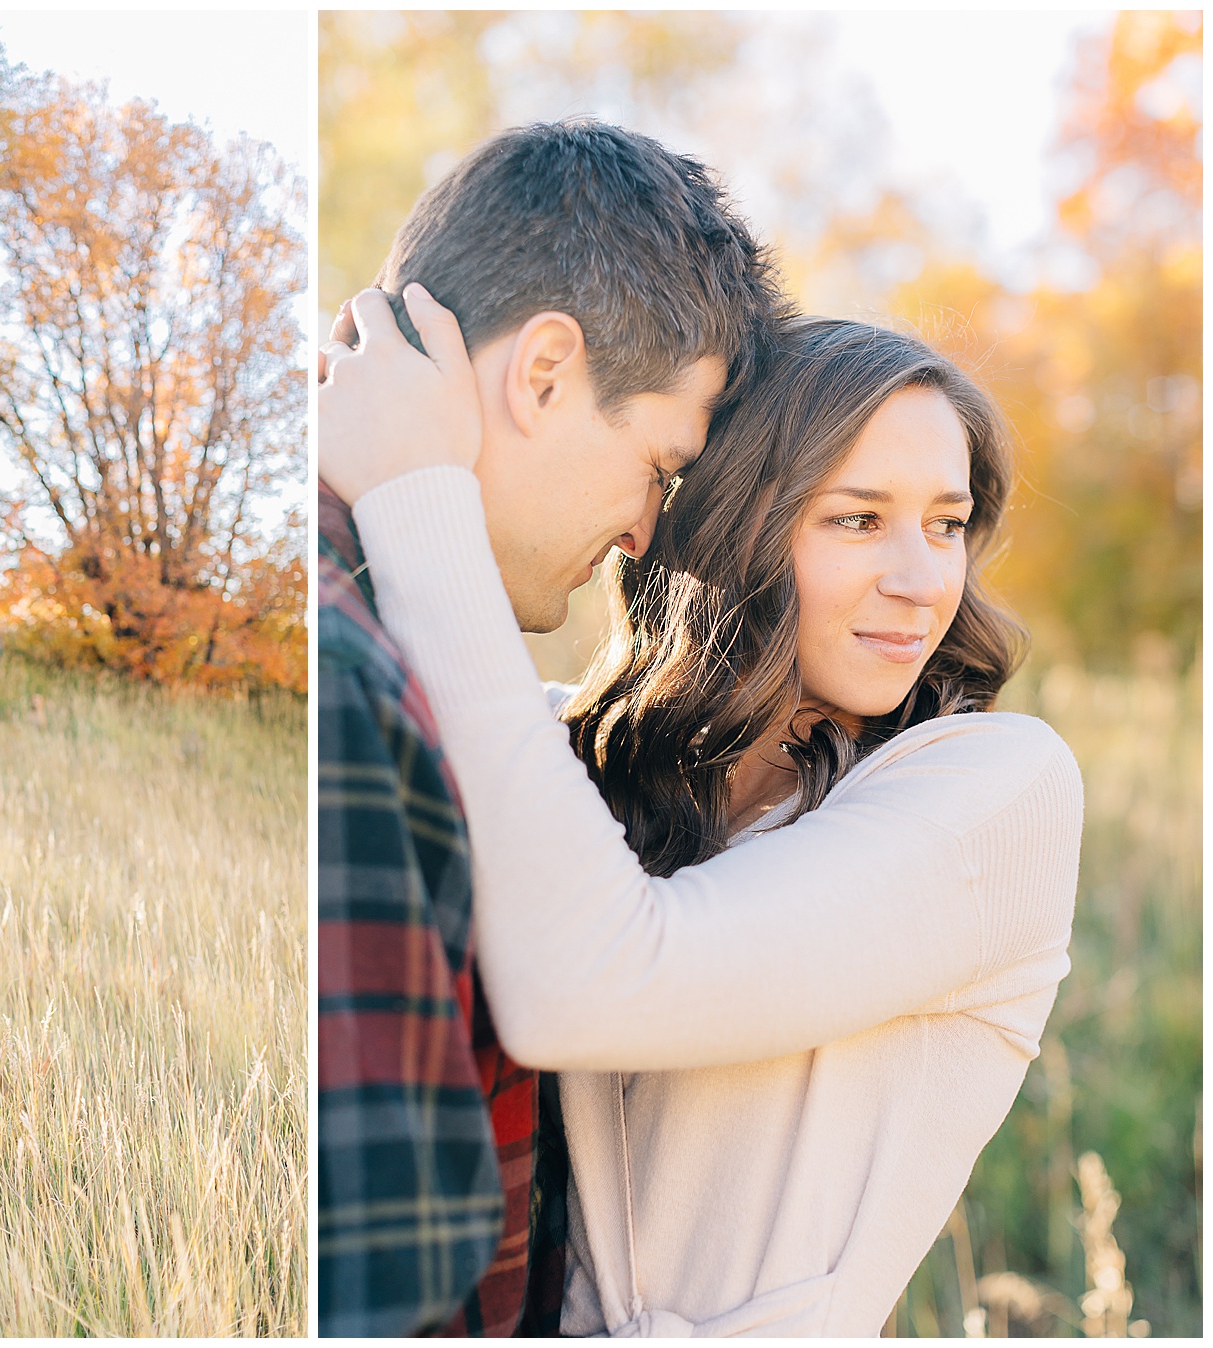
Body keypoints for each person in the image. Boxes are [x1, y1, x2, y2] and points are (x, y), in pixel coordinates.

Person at [320, 308, 1083, 1335]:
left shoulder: (994, 793)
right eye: (857, 519)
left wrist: (419, 496)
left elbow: (592, 985)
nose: (922, 579)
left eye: (946, 522)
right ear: (737, 523)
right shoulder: (569, 762)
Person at [317, 120, 787, 1336]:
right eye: (660, 463)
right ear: (542, 374)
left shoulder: (395, 645)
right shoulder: (348, 682)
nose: (644, 532)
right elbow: (378, 1293)